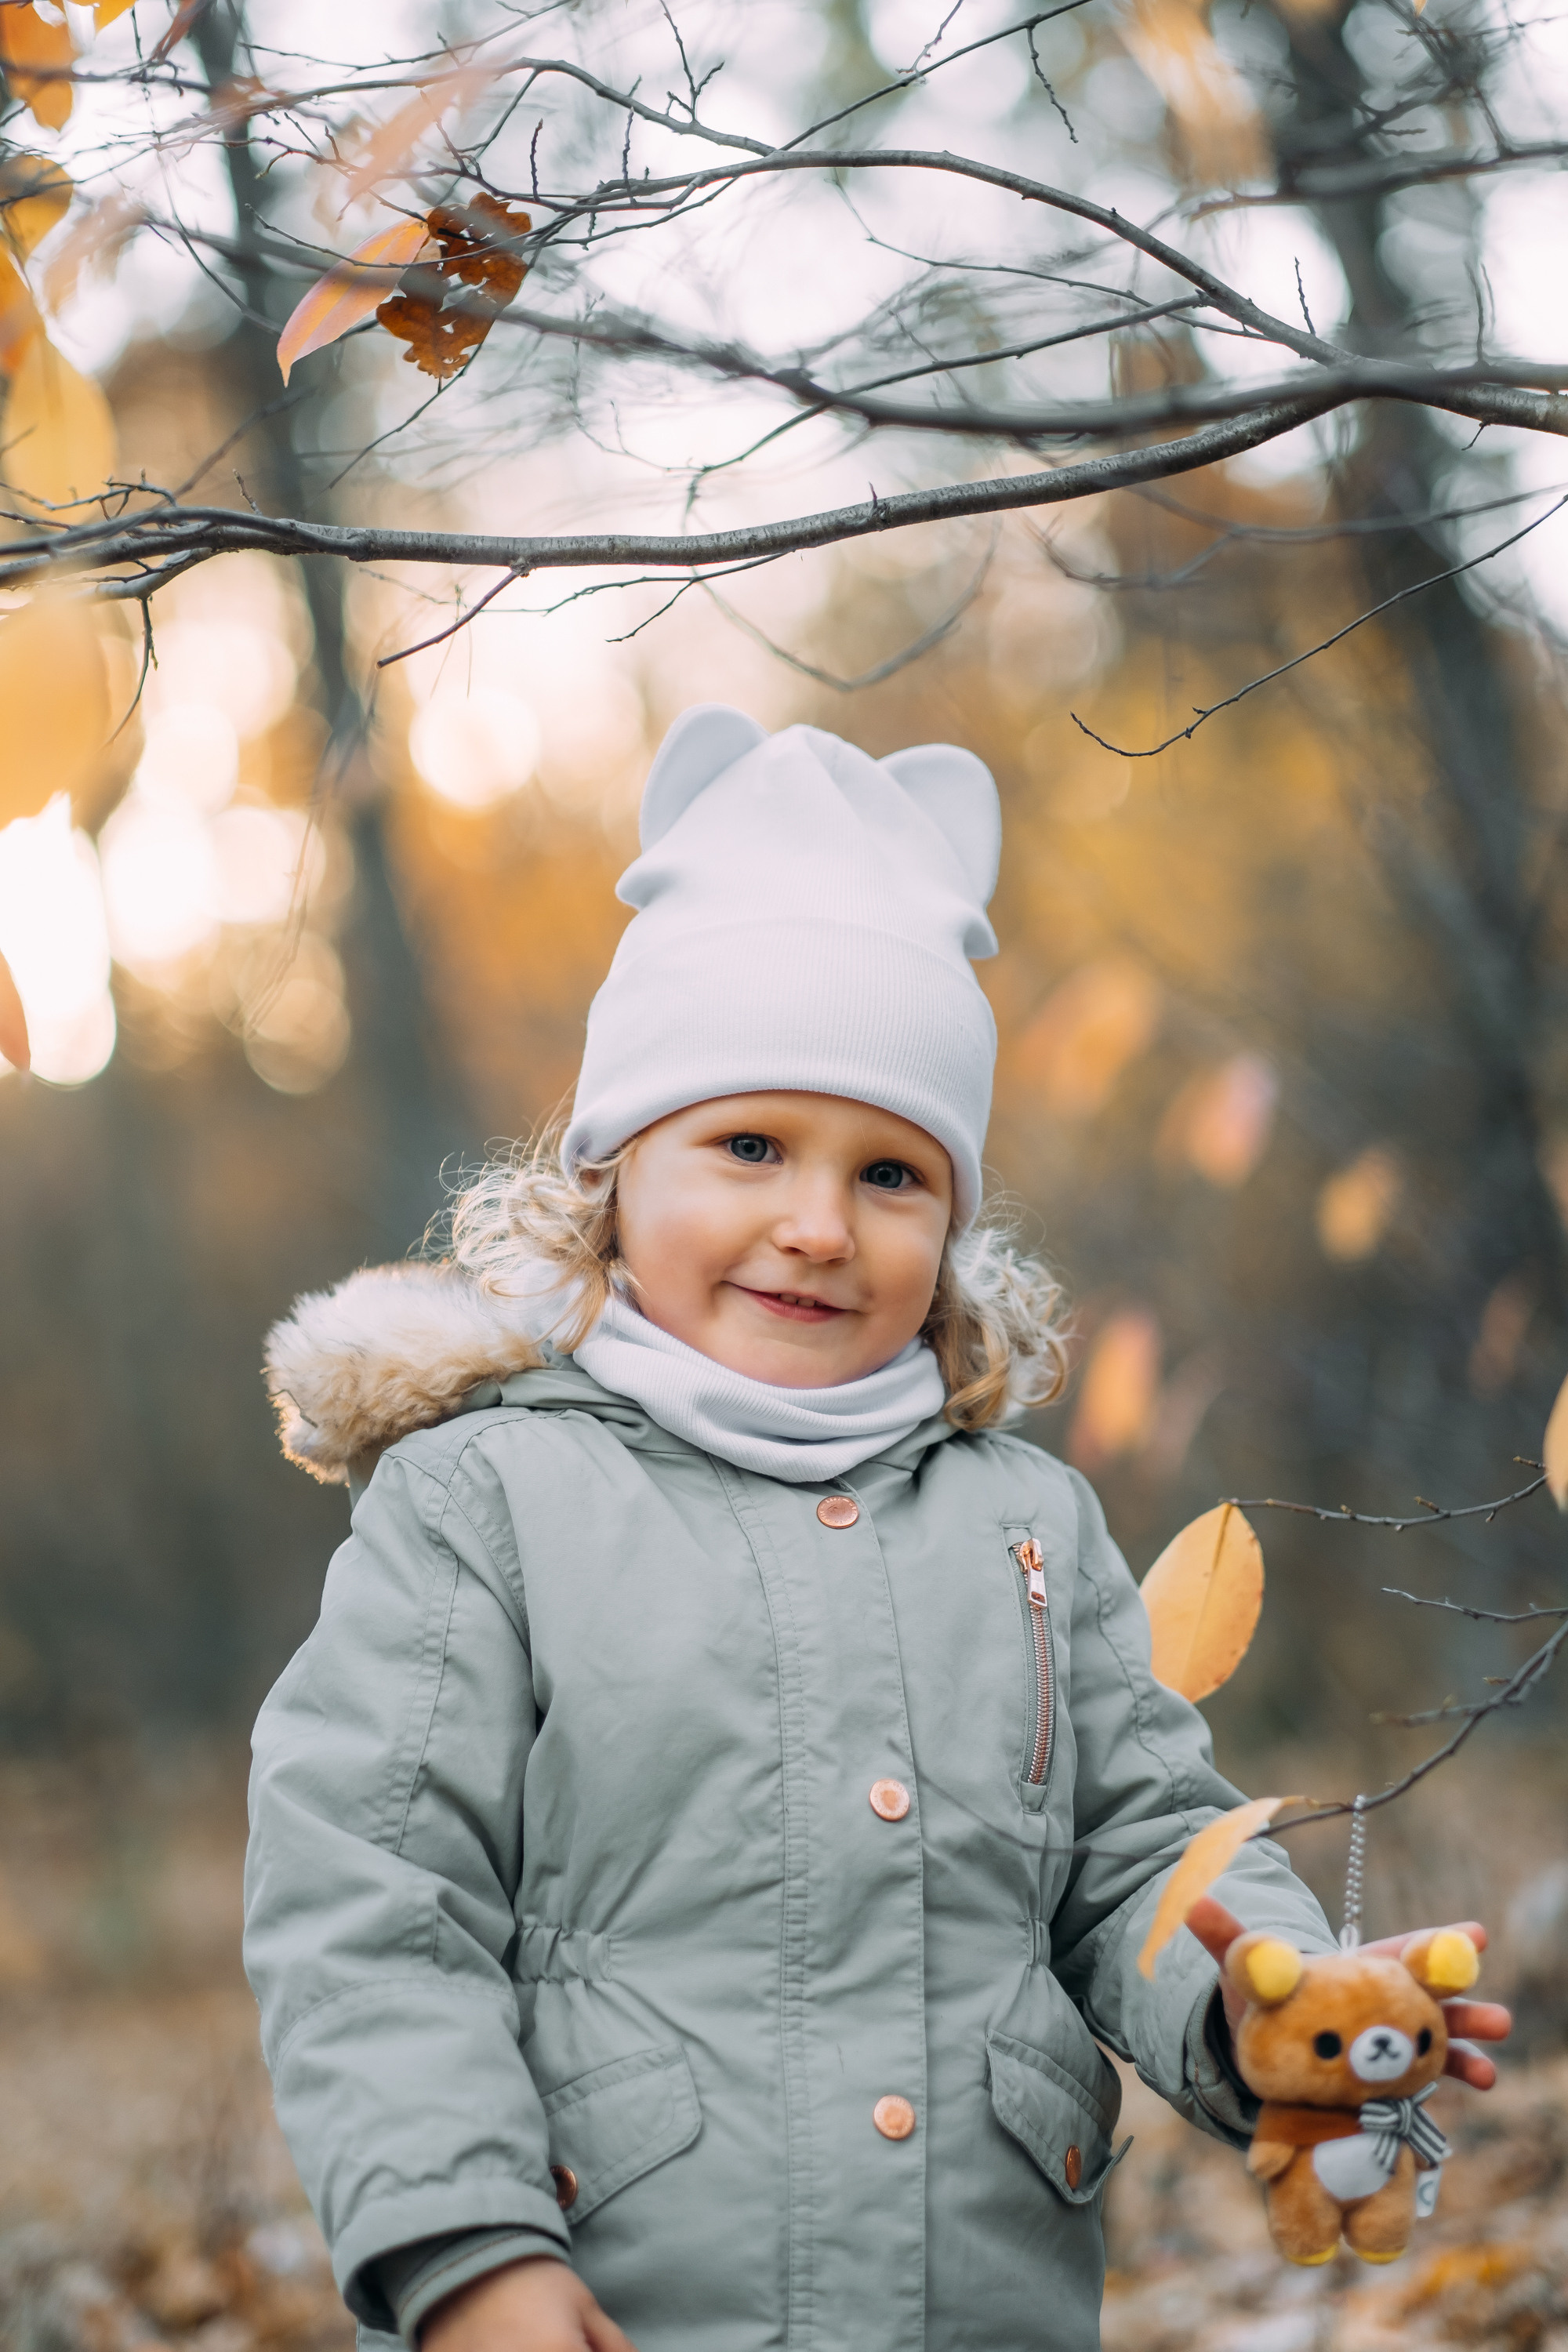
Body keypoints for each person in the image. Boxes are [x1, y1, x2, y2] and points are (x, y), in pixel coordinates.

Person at [246, 707, 1509, 2352]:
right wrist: (464, 2248)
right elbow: (372, 1901)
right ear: (613, 1176)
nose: (816, 1225)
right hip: (608, 2297)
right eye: (749, 1146)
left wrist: (1268, 2009)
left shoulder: (1022, 1524)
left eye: (892, 1174)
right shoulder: (489, 1502)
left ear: (954, 1221)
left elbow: (1137, 1849)